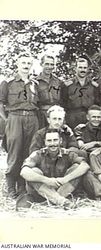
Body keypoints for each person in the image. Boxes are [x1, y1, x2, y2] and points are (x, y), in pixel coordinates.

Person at [0, 52, 40, 198]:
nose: (26, 66)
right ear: (18, 64)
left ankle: (23, 186)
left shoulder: (35, 84)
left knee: (28, 152)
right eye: (23, 63)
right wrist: (7, 120)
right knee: (15, 153)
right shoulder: (8, 82)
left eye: (28, 63)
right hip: (15, 118)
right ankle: (11, 187)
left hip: (32, 118)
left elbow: (38, 104)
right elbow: (1, 102)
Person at [19, 129, 90, 209]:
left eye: (55, 140)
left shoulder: (67, 153)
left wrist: (65, 179)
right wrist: (46, 180)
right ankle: (61, 201)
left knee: (77, 168)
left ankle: (52, 201)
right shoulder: (38, 154)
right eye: (49, 141)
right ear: (45, 142)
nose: (52, 144)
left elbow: (85, 166)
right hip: (41, 192)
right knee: (34, 172)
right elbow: (23, 171)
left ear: (60, 141)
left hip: (62, 189)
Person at [61, 57, 99, 129]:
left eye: (85, 68)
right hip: (72, 118)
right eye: (80, 67)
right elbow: (63, 103)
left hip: (89, 118)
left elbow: (97, 103)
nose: (82, 70)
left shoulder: (94, 86)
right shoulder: (67, 85)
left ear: (87, 69)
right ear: (75, 68)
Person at [36, 54, 63, 128]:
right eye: (47, 64)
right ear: (41, 64)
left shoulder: (58, 82)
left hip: (56, 114)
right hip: (41, 115)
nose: (49, 67)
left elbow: (63, 100)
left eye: (52, 64)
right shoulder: (35, 82)